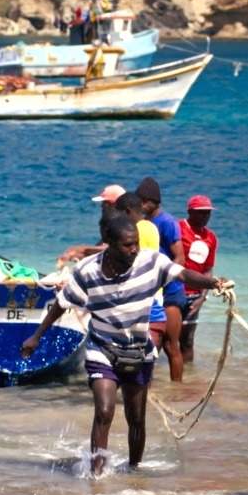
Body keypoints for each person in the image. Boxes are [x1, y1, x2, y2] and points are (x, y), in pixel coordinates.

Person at [20, 215, 230, 475]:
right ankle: (96, 477)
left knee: (136, 419)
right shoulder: (87, 270)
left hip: (138, 351)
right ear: (109, 243)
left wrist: (212, 282)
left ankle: (134, 473)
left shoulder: (151, 262)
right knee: (105, 411)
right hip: (102, 349)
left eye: (136, 244)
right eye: (127, 245)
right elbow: (61, 304)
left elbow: (183, 274)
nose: (134, 250)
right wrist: (36, 336)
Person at [136, 176, 187, 381]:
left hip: (171, 291)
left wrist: (162, 280)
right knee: (150, 344)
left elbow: (180, 257)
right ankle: (147, 388)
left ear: (150, 201)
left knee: (170, 346)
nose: (139, 206)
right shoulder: (145, 223)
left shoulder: (167, 222)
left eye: (141, 202)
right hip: (153, 292)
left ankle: (177, 389)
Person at [114, 192, 167, 350]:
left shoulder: (136, 230)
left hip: (142, 295)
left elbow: (134, 261)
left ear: (128, 211)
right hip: (155, 291)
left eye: (120, 213)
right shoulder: (150, 226)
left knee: (136, 351)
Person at [179, 195, 219, 366]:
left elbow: (208, 269)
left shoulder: (210, 237)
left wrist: (202, 297)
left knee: (187, 340)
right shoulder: (178, 228)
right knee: (166, 339)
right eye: (201, 213)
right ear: (190, 212)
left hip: (194, 296)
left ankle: (188, 382)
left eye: (208, 213)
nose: (205, 217)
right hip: (175, 292)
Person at [57, 184, 126, 264]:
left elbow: (112, 248)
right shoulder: (111, 225)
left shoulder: (123, 226)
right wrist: (75, 254)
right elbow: (98, 250)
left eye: (104, 202)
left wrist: (77, 250)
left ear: (111, 204)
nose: (101, 205)